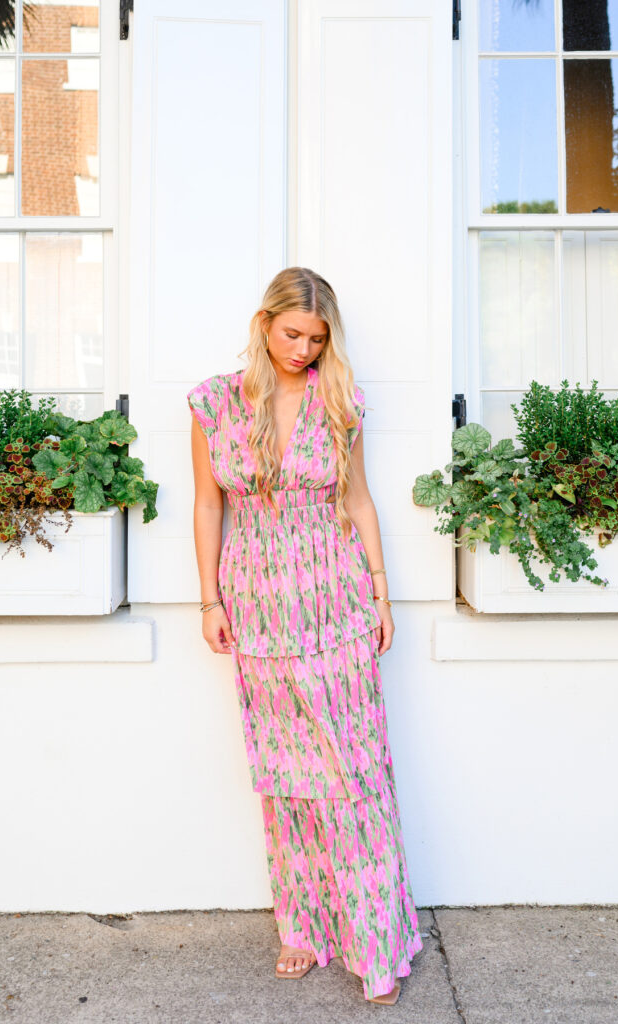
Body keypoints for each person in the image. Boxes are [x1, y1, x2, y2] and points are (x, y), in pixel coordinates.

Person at [187, 266, 423, 1004]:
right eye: (293, 333)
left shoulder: (340, 401)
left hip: (335, 600)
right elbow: (206, 506)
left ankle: (376, 938)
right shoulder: (214, 403)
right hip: (257, 606)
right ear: (264, 324)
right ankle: (303, 926)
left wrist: (382, 594)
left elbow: (357, 499)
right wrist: (208, 601)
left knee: (355, 775)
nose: (303, 349)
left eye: (317, 338)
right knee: (285, 776)